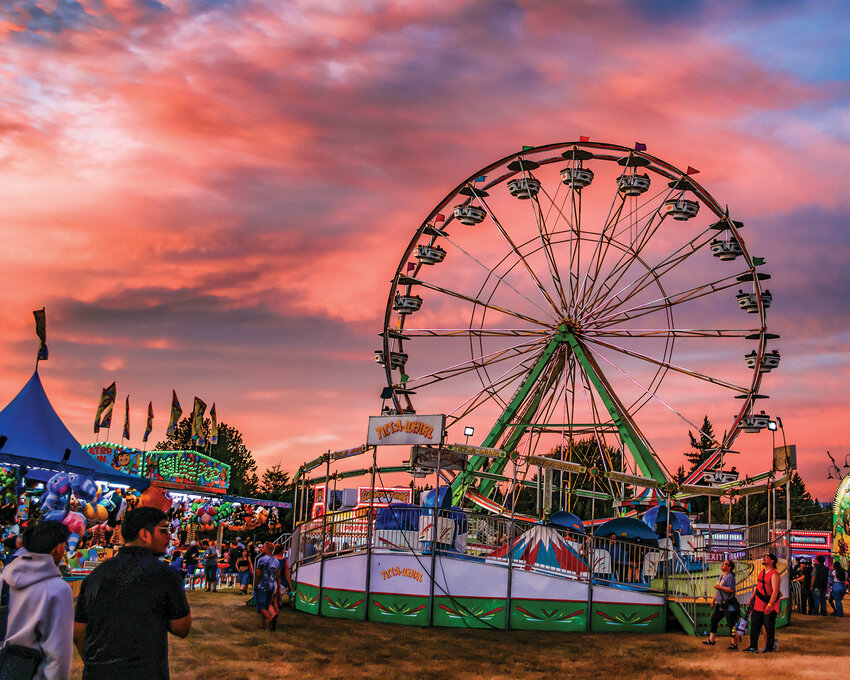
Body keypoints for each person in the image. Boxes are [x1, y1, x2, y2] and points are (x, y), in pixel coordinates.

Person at [73, 506, 191, 680]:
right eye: (164, 530)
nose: (168, 537)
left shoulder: (96, 576)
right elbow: (182, 627)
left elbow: (78, 632)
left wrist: (94, 664)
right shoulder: (166, 575)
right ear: (144, 534)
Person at [2, 520, 73, 680]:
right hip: (35, 670)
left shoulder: (5, 579)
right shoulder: (58, 589)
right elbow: (58, 653)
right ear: (59, 548)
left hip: (7, 665)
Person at [744, 552, 780, 653]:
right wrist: (752, 598)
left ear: (772, 561)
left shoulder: (774, 574)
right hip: (757, 604)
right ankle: (752, 646)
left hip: (768, 605)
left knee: (769, 628)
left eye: (767, 557)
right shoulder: (762, 572)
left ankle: (769, 648)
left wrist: (769, 605)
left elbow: (775, 591)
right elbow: (758, 587)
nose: (764, 558)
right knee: (755, 627)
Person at [703, 559, 738, 649]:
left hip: (727, 604)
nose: (723, 565)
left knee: (731, 623)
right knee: (714, 620)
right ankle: (711, 640)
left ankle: (734, 644)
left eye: (725, 564)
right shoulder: (721, 576)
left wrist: (720, 587)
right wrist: (713, 599)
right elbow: (719, 590)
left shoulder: (730, 577)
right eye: (723, 563)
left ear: (729, 568)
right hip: (720, 604)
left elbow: (731, 590)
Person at [253, 542, 280, 630]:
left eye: (263, 547)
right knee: (267, 604)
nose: (262, 549)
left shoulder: (262, 560)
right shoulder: (276, 561)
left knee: (260, 606)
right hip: (273, 585)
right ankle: (262, 625)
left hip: (263, 585)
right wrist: (278, 588)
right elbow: (278, 575)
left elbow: (258, 574)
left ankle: (271, 618)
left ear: (266, 548)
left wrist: (255, 584)